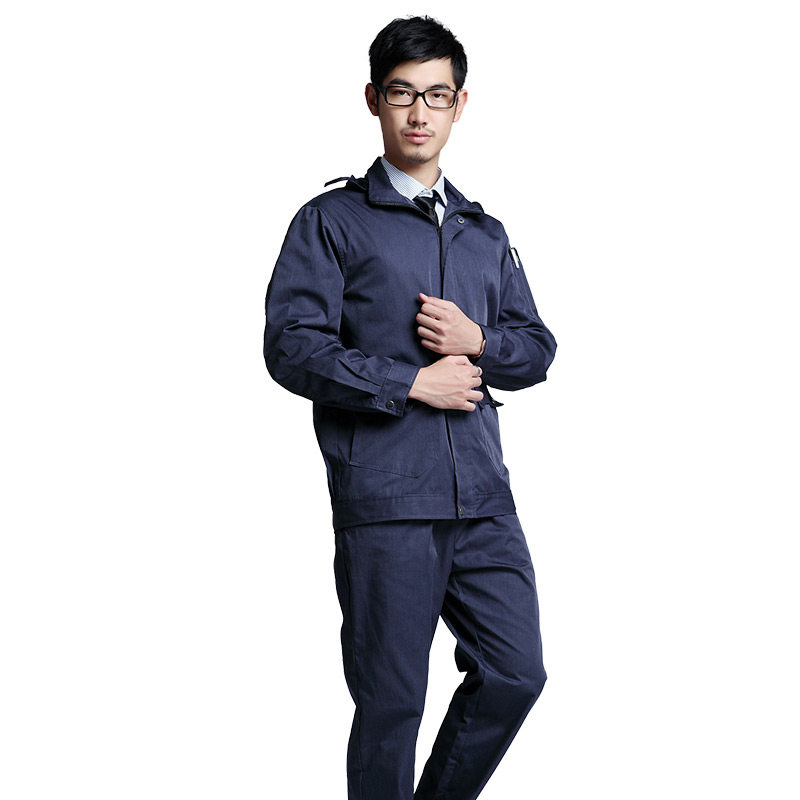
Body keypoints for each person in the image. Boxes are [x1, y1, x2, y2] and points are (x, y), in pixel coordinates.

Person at [263, 15, 557, 800]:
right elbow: (290, 346)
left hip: (483, 499)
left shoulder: (484, 232)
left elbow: (538, 348)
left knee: (516, 672)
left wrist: (479, 341)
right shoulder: (331, 221)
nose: (419, 113)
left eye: (436, 95)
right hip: (387, 498)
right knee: (392, 706)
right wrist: (410, 382)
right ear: (374, 100)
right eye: (402, 94)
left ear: (461, 104)